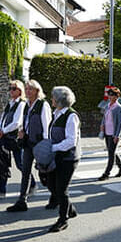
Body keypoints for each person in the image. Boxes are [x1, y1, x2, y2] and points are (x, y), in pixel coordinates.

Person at [6, 80, 52, 212]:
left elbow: (46, 127)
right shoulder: (27, 104)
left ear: (37, 90)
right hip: (27, 143)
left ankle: (56, 195)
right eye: (26, 89)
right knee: (25, 171)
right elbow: (24, 121)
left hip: (39, 144)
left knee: (45, 171)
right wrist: (21, 130)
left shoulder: (43, 105)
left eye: (30, 89)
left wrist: (45, 145)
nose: (27, 91)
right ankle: (22, 200)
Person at [0, 80, 36, 198]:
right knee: (2, 161)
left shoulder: (21, 104)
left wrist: (3, 130)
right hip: (5, 136)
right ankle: (1, 189)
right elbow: (2, 118)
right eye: (10, 88)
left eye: (13, 88)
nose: (11, 91)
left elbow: (17, 122)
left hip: (14, 138)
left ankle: (32, 184)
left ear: (19, 91)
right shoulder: (10, 103)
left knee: (20, 164)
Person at [46, 86, 81, 232]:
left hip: (69, 158)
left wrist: (52, 148)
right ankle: (70, 209)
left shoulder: (71, 116)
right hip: (57, 156)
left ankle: (63, 220)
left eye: (53, 97)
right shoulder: (56, 113)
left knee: (61, 189)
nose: (51, 99)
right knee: (52, 185)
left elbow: (71, 141)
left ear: (59, 100)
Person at [98, 87, 121, 181]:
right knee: (111, 152)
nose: (110, 97)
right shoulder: (108, 106)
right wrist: (102, 125)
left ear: (116, 96)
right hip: (107, 132)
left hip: (114, 134)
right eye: (109, 95)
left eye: (112, 95)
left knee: (111, 154)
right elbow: (104, 118)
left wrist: (117, 135)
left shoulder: (119, 108)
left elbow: (120, 123)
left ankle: (106, 173)